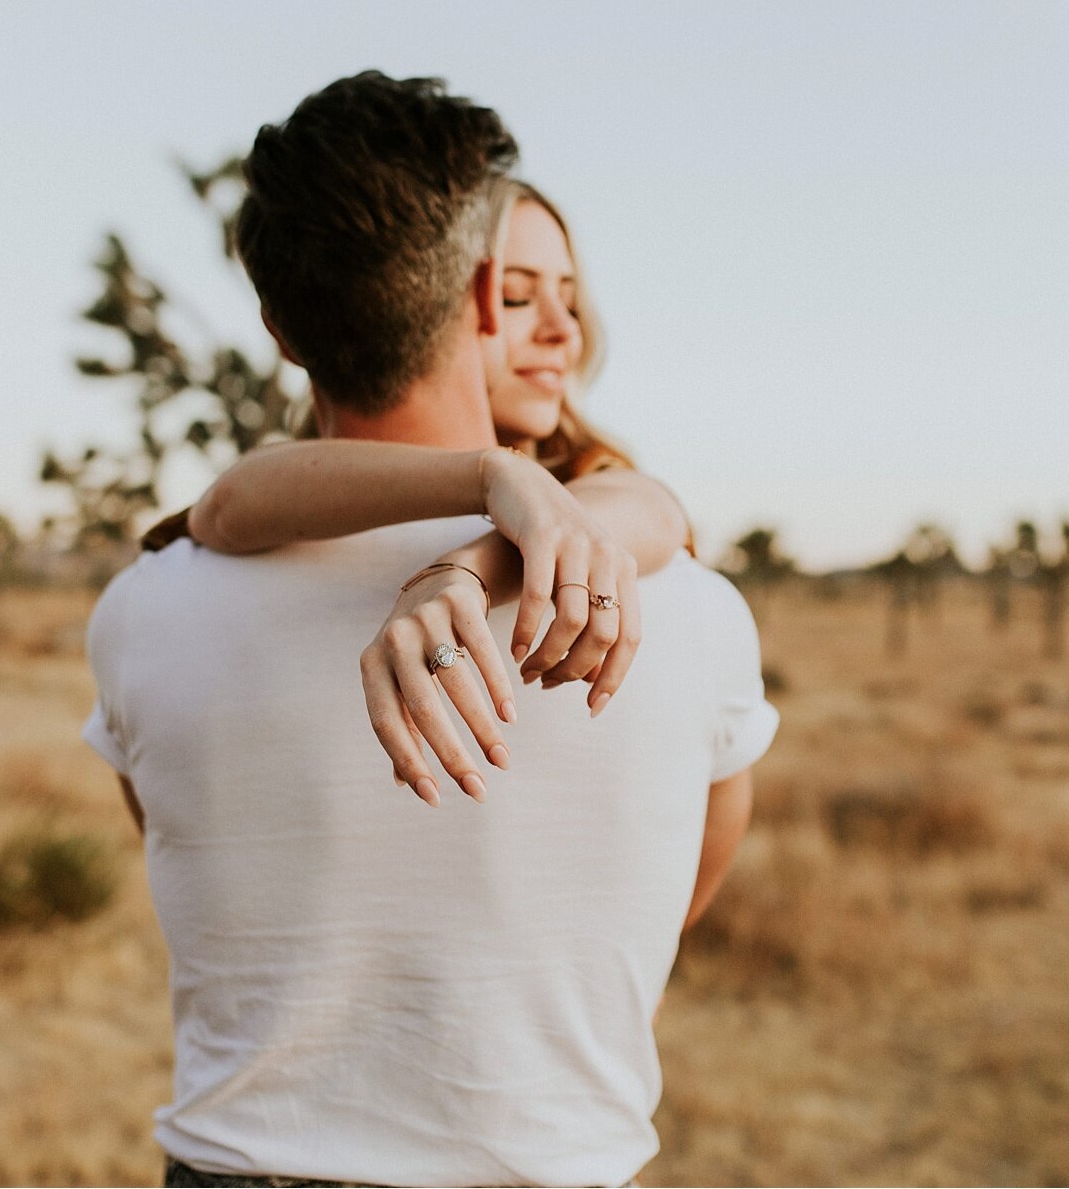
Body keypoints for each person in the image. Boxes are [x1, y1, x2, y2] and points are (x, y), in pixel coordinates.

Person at [81, 71, 776, 1189]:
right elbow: (672, 902)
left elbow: (167, 837)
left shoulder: (143, 613)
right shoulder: (688, 613)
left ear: (276, 328)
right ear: (486, 291)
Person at [137, 181, 698, 801]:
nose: (563, 331)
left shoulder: (601, 484)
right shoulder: (299, 489)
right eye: (515, 297)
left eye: (569, 300)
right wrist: (493, 476)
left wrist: (466, 571)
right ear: (450, 311)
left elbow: (654, 508)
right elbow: (228, 503)